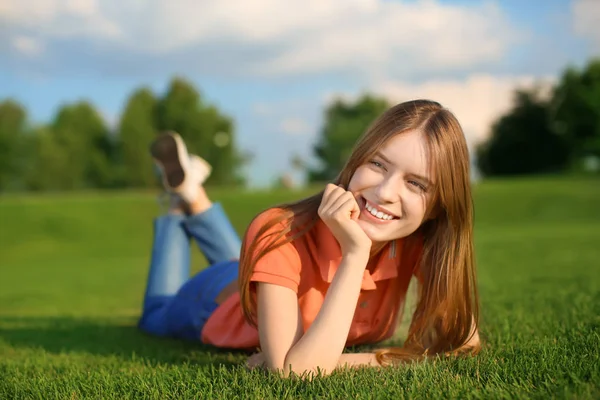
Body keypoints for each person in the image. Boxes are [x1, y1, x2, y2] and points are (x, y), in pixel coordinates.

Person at [138, 99, 481, 378]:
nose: (385, 192)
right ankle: (177, 207)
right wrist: (355, 254)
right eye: (378, 164)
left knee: (267, 253)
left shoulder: (421, 240)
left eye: (416, 184)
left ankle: (189, 192)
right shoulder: (278, 231)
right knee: (155, 315)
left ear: (438, 207)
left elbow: (462, 346)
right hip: (212, 301)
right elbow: (296, 374)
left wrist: (343, 361)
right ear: (356, 159)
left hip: (270, 268)